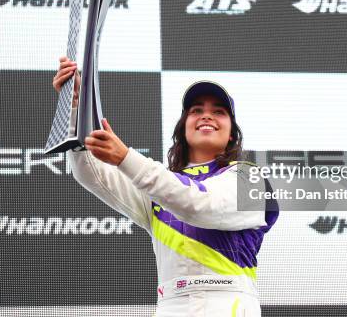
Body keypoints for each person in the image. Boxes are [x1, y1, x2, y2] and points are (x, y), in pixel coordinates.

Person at [53, 56, 278, 316]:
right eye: (196, 110)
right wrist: (75, 110)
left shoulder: (249, 179)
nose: (206, 115)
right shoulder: (160, 188)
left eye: (219, 111)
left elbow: (200, 205)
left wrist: (126, 157)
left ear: (231, 135)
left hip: (228, 305)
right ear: (183, 128)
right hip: (170, 305)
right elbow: (92, 173)